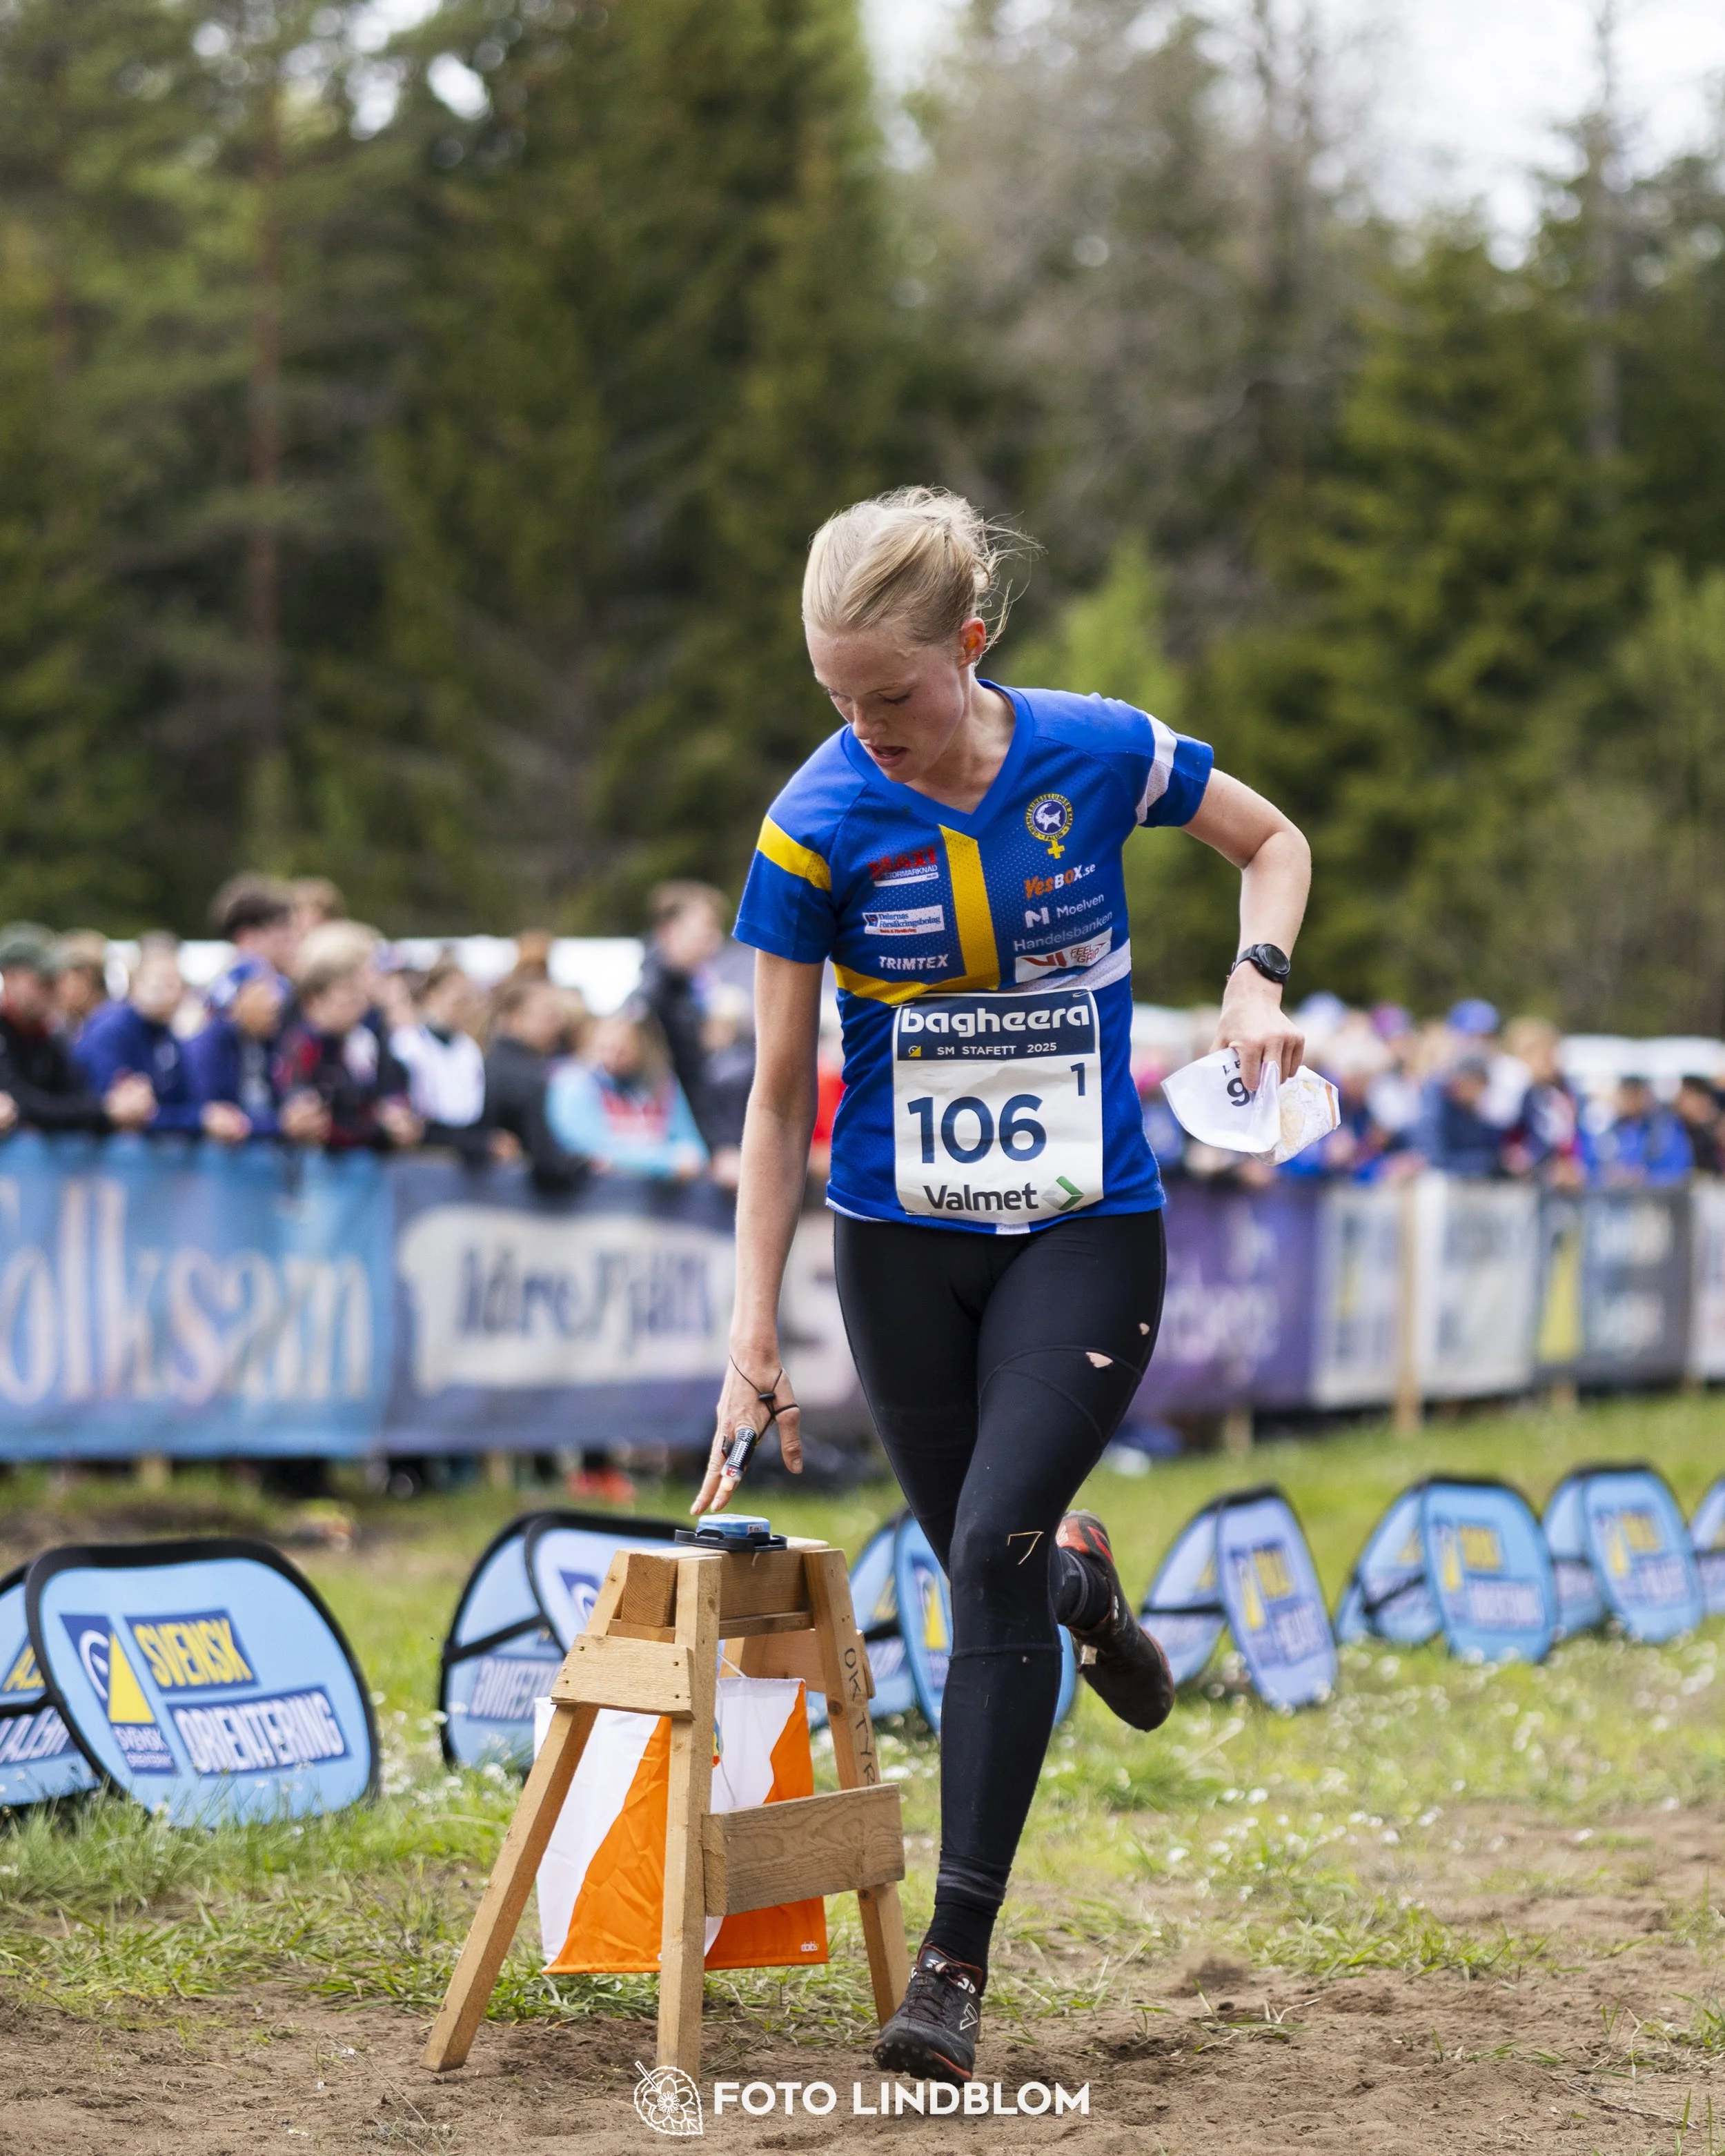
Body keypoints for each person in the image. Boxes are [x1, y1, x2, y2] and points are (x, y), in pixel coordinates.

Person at [696, 487, 1309, 2084]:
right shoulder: (812, 822)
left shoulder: (1093, 750)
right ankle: (1085, 1590)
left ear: (969, 645)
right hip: (897, 1240)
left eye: (891, 695)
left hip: (1081, 1223)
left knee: (982, 1547)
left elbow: (1273, 842)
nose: (867, 730)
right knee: (1002, 1563)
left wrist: (1257, 980)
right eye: (836, 700)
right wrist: (750, 1334)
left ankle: (952, 1965)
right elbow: (773, 1097)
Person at [75, 937, 249, 1141]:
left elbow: (184, 1101)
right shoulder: (111, 1031)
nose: (170, 992)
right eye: (160, 982)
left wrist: (206, 1116)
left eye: (175, 983)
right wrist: (199, 1120)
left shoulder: (168, 1037)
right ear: (136, 985)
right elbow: (120, 1112)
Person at [0, 922, 152, 1135]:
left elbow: (75, 1094)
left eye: (55, 980)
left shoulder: (49, 1036)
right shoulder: (12, 1033)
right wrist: (105, 1110)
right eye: (43, 980)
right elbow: (22, 1101)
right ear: (11, 979)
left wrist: (115, 1105)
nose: (54, 989)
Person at [273, 940, 422, 1151]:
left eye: (360, 998)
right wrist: (378, 1125)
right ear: (315, 1001)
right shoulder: (301, 1046)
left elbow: (390, 1089)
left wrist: (394, 1112)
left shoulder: (364, 1040)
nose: (359, 1007)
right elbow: (313, 1123)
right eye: (348, 1000)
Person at [545, 1008, 707, 1179]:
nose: (613, 1056)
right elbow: (588, 1148)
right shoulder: (573, 1082)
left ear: (645, 1047)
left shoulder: (662, 1084)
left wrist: (623, 1160)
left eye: (622, 1050)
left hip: (653, 1201)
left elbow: (693, 1152)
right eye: (607, 1047)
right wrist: (667, 1163)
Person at [635, 881, 729, 1149]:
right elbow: (682, 1081)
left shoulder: (689, 988)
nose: (716, 939)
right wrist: (715, 1147)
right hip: (670, 1148)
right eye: (707, 928)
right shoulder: (652, 995)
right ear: (670, 931)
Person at [484, 976, 589, 1189]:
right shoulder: (530, 1078)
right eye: (549, 1016)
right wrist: (586, 1166)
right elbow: (550, 1168)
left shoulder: (485, 1065)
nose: (559, 1025)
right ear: (514, 1019)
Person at [391, 957, 500, 1161]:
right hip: (420, 1156)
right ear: (431, 996)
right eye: (457, 1001)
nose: (463, 1009)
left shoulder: (468, 1049)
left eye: (467, 1001)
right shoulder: (406, 1044)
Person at [1589, 1075, 1693, 1187]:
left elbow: (1680, 1172)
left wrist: (1646, 1177)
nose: (1630, 1101)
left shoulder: (1666, 1132)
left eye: (1635, 1094)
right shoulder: (1608, 1134)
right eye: (1626, 1094)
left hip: (1656, 1201)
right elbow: (1592, 1170)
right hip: (1616, 1200)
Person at [52, 931, 111, 1039]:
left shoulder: (109, 1029)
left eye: (62, 978)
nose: (56, 987)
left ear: (85, 979)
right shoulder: (75, 1025)